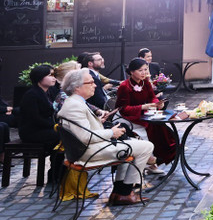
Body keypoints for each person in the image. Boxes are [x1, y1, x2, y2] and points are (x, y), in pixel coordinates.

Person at [57, 69, 155, 206]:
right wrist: (111, 133)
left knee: (133, 144)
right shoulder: (75, 105)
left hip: (89, 148)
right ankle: (125, 192)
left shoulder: (75, 102)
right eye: (90, 82)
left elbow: (83, 131)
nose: (95, 85)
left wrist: (99, 123)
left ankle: (118, 192)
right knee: (147, 146)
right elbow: (85, 137)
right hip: (88, 152)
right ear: (77, 87)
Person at [115, 58, 176, 174]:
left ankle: (169, 151)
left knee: (160, 125)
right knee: (151, 126)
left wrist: (157, 103)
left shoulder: (146, 82)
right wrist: (144, 107)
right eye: (140, 70)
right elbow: (123, 108)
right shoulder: (124, 86)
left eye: (145, 69)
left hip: (143, 113)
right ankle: (152, 160)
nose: (144, 73)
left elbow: (152, 97)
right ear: (132, 72)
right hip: (127, 116)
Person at [18, 64, 62, 156]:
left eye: (54, 75)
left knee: (68, 133)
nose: (54, 78)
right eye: (50, 75)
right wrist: (55, 125)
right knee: (64, 135)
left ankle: (59, 162)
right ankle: (56, 163)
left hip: (46, 128)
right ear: (39, 77)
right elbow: (35, 118)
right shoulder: (31, 95)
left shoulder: (51, 92)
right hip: (33, 131)